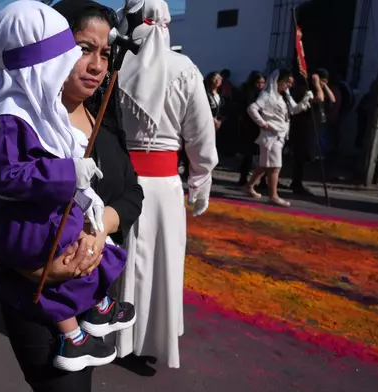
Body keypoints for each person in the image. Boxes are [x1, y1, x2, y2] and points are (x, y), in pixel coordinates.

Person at [0, 0, 143, 389]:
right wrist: (36, 269)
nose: (96, 66)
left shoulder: (100, 121)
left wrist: (96, 234)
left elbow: (131, 195)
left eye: (105, 53)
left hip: (85, 278)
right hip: (36, 291)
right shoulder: (16, 121)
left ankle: (96, 312)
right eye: (83, 49)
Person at [114, 0, 218, 369]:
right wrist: (200, 176)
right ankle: (146, 339)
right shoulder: (185, 69)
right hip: (163, 188)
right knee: (159, 266)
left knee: (121, 262)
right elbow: (202, 138)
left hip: (118, 183)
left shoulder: (114, 65)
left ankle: (114, 335)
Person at [244, 69, 313, 207]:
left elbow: (294, 110)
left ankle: (249, 186)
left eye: (290, 83)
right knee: (275, 167)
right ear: (278, 81)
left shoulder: (285, 96)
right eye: (287, 82)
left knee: (264, 165)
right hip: (270, 136)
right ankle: (273, 196)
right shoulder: (267, 96)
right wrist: (263, 123)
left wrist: (306, 98)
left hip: (280, 135)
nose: (289, 85)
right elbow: (252, 108)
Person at [237, 71, 266, 185]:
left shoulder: (264, 94)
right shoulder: (249, 92)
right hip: (249, 126)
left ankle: (263, 180)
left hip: (259, 126)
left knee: (262, 155)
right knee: (248, 153)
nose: (260, 85)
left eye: (263, 83)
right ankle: (243, 177)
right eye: (258, 82)